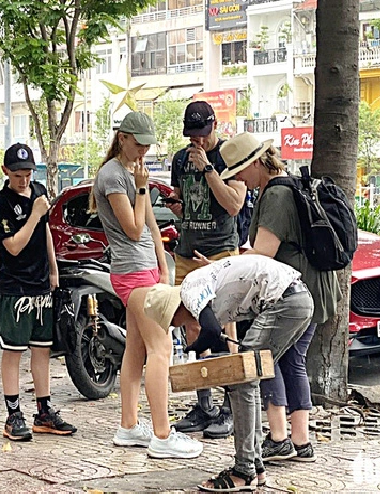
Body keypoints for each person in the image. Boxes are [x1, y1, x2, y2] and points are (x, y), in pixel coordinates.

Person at [218, 133, 340, 463]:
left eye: (240, 170)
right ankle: (297, 441)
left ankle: (282, 438)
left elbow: (264, 254)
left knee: (268, 358)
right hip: (315, 288)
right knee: (290, 360)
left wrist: (224, 266)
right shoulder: (289, 185)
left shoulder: (275, 196)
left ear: (257, 163)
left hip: (297, 294)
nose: (239, 178)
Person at [144, 255, 314, 491]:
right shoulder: (208, 298)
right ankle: (255, 467)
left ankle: (244, 470)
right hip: (297, 298)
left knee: (242, 377)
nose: (180, 325)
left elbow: (212, 333)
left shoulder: (191, 289)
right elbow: (216, 332)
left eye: (175, 322)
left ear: (175, 310)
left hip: (286, 299)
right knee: (250, 376)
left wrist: (193, 349)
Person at [91, 111, 202, 459]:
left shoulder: (132, 173)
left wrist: (162, 266)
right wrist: (141, 187)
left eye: (147, 146)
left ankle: (128, 426)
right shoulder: (112, 176)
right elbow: (134, 229)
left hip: (146, 270)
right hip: (131, 271)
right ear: (122, 138)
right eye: (137, 144)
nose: (142, 152)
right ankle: (162, 433)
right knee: (161, 350)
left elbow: (152, 227)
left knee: (137, 350)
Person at [167, 101, 246, 439]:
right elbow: (181, 195)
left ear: (215, 127)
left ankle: (231, 407)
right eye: (191, 136)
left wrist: (209, 170)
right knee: (192, 328)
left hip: (220, 251)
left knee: (224, 328)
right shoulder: (180, 159)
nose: (197, 141)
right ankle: (204, 405)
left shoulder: (228, 156)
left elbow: (233, 204)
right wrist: (175, 203)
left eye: (202, 134)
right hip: (187, 250)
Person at [0, 143, 76, 441]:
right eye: (18, 175)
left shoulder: (38, 191)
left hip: (41, 283)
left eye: (28, 174)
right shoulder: (1, 202)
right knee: (14, 350)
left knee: (42, 349)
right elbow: (13, 245)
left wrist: (53, 269)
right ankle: (13, 413)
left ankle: (44, 409)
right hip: (15, 286)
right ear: (6, 172)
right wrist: (33, 214)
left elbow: (45, 233)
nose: (24, 180)